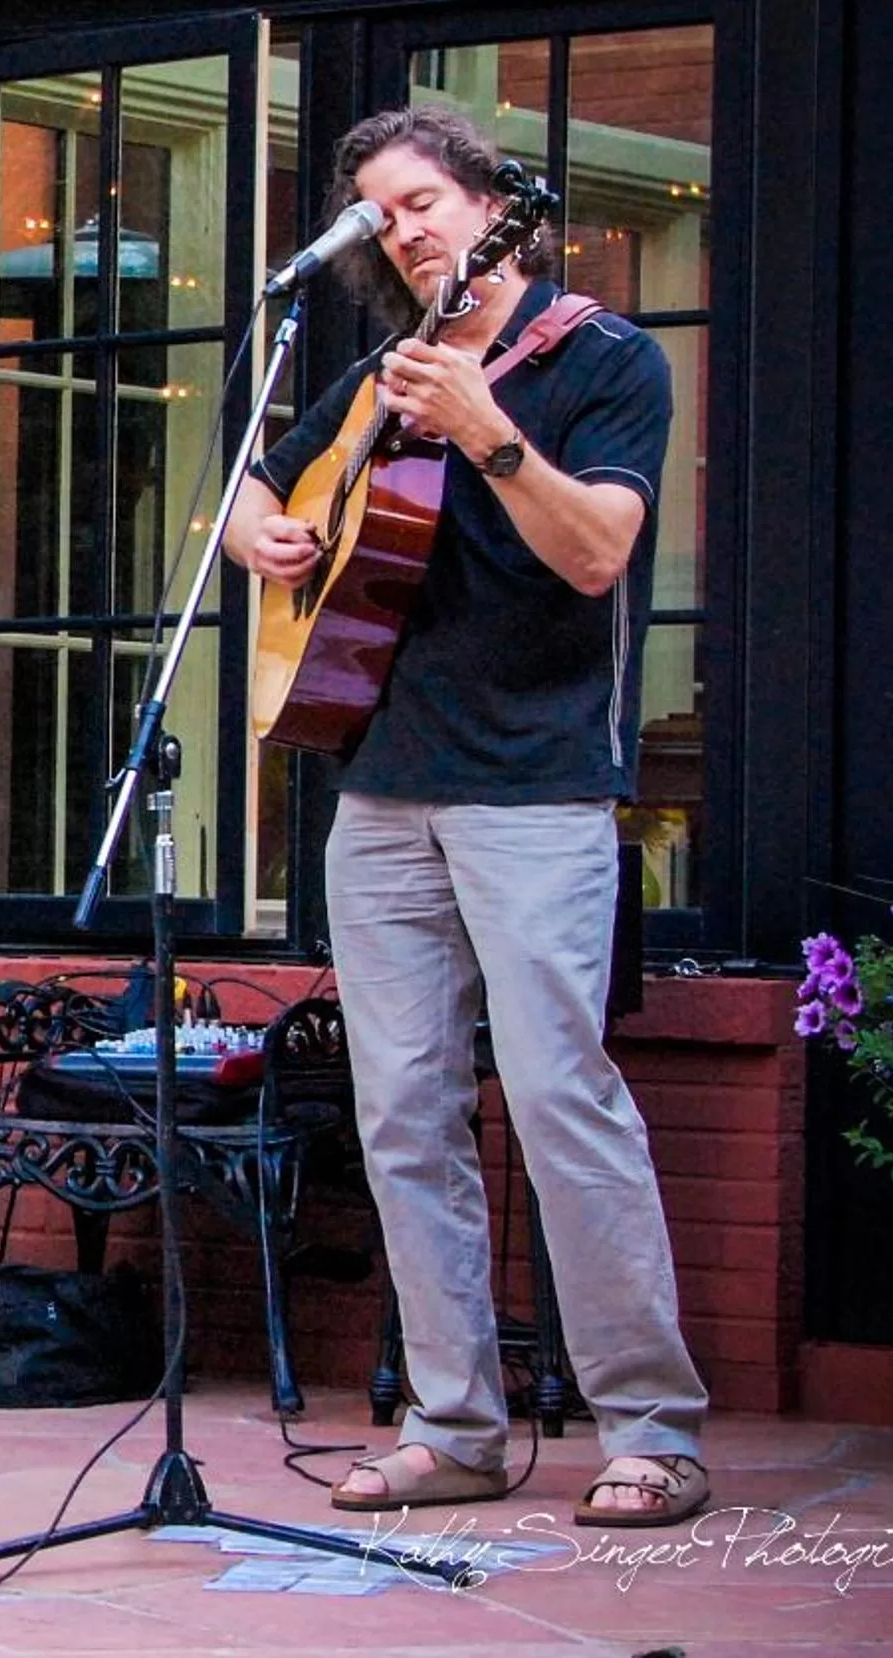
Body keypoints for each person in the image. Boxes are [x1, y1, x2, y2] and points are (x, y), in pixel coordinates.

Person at [223, 107, 712, 1528]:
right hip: (378, 781)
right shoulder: (384, 370)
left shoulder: (605, 360)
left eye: (423, 201)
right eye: (379, 215)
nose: (404, 232)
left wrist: (490, 432)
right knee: (402, 1113)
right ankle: (454, 1424)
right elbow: (258, 483)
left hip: (538, 786)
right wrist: (261, 532)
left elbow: (599, 550)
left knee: (561, 1095)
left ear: (496, 206)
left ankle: (651, 1427)